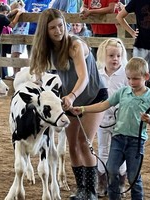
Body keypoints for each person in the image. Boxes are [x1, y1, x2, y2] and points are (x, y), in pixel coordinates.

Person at [29, 8, 108, 200]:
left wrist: (72, 96)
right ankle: (81, 189)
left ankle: (91, 191)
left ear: (65, 24)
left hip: (92, 96)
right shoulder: (46, 48)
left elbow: (84, 77)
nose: (58, 31)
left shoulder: (75, 45)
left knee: (84, 142)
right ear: (45, 31)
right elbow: (37, 72)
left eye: (60, 25)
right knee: (72, 144)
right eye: (52, 28)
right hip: (69, 99)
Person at [72, 57, 150, 200]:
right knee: (111, 171)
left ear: (146, 77)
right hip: (118, 138)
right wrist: (83, 109)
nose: (131, 82)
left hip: (136, 142)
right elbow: (104, 104)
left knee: (133, 177)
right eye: (129, 78)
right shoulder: (123, 92)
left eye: (136, 79)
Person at [116, 0, 150, 132]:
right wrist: (132, 32)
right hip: (141, 46)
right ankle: (130, 114)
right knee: (134, 80)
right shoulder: (137, 1)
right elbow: (119, 16)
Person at [96, 38, 128, 197]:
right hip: (101, 119)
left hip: (121, 121)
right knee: (102, 148)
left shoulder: (125, 75)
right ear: (104, 56)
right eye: (111, 55)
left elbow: (130, 95)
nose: (115, 59)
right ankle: (101, 182)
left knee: (120, 150)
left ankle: (121, 182)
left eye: (118, 56)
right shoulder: (98, 74)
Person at [5, 0, 29, 79]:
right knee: (15, 55)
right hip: (18, 37)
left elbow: (9, 17)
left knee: (15, 56)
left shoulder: (20, 14)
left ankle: (17, 74)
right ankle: (16, 74)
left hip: (18, 37)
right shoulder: (23, 13)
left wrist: (16, 12)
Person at [0, 2, 22, 78]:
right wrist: (18, 15)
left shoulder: (0, 16)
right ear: (5, 12)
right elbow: (12, 25)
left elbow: (6, 16)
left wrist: (13, 11)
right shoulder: (2, 18)